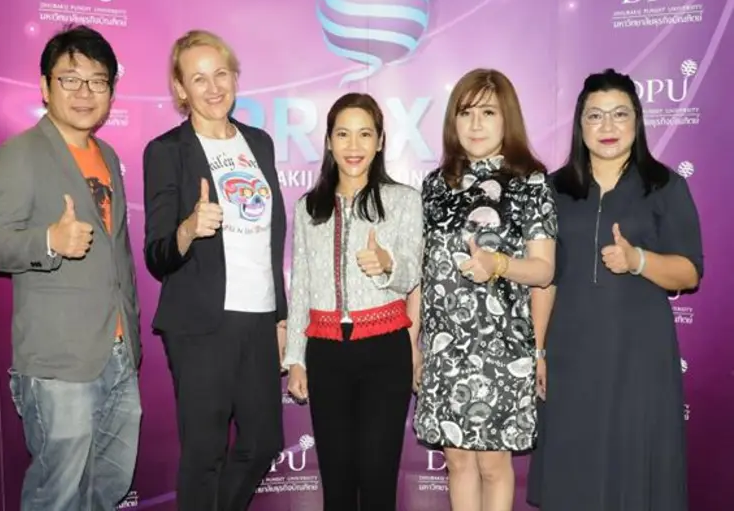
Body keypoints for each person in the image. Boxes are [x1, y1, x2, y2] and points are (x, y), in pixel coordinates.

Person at [0, 24, 142, 510]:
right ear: (45, 86)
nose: (84, 92)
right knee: (57, 494)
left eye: (97, 81)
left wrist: (129, 334)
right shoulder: (19, 154)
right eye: (70, 79)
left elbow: (118, 254)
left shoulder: (108, 156)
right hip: (58, 361)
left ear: (111, 90)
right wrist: (50, 240)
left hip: (117, 352)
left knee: (108, 487)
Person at [526, 69, 703, 511]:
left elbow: (689, 272)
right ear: (580, 124)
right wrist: (539, 350)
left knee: (634, 471)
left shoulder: (664, 185)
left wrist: (638, 260)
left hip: (639, 357)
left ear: (637, 121)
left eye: (619, 114)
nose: (607, 126)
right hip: (570, 355)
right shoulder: (553, 190)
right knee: (573, 469)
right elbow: (545, 277)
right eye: (595, 115)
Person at [142, 29, 287, 511]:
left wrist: (280, 318)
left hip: (257, 317)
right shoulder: (167, 151)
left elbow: (271, 239)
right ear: (180, 88)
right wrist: (188, 229)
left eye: (221, 74)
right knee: (204, 453)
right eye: (198, 78)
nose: (213, 87)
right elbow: (157, 254)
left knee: (263, 442)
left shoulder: (259, 143)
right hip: (201, 322)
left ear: (235, 78)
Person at [413, 69, 557, 511]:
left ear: (506, 118)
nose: (475, 124)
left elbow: (544, 271)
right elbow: (422, 273)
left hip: (502, 348)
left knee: (494, 465)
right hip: (444, 347)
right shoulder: (435, 186)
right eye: (466, 113)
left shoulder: (531, 183)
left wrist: (498, 264)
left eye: (488, 113)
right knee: (457, 461)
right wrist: (414, 344)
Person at [284, 92, 423, 511]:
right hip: (326, 353)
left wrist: (387, 264)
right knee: (338, 484)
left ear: (380, 142)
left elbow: (413, 274)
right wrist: (296, 358)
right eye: (343, 134)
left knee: (378, 480)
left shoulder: (403, 201)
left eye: (365, 134)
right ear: (328, 141)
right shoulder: (308, 208)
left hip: (385, 353)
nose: (353, 146)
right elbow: (301, 287)